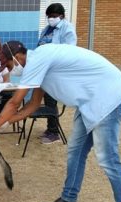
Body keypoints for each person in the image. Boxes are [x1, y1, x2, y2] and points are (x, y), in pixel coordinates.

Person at [0, 41, 121, 202]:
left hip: (106, 96)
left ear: (18, 56)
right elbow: (33, 104)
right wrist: (8, 122)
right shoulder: (38, 64)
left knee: (108, 159)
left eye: (8, 65)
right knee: (75, 153)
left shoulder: (37, 60)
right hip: (87, 102)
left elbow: (15, 102)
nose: (9, 70)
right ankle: (69, 199)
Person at [38, 3, 77, 144]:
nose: (51, 19)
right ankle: (50, 128)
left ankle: (54, 132)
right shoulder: (47, 29)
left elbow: (69, 50)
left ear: (61, 16)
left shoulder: (67, 29)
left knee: (51, 100)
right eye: (49, 16)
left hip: (56, 71)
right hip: (46, 71)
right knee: (48, 100)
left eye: (54, 16)